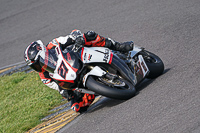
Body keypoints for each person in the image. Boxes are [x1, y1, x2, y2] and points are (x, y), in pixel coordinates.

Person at [24, 29, 133, 112]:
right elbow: (57, 87)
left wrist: (77, 38)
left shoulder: (53, 44)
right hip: (73, 78)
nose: (38, 67)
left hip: (77, 56)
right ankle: (98, 89)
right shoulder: (44, 76)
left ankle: (119, 46)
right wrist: (64, 92)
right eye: (35, 66)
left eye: (38, 63)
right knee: (76, 107)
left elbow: (70, 37)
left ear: (43, 53)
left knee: (89, 36)